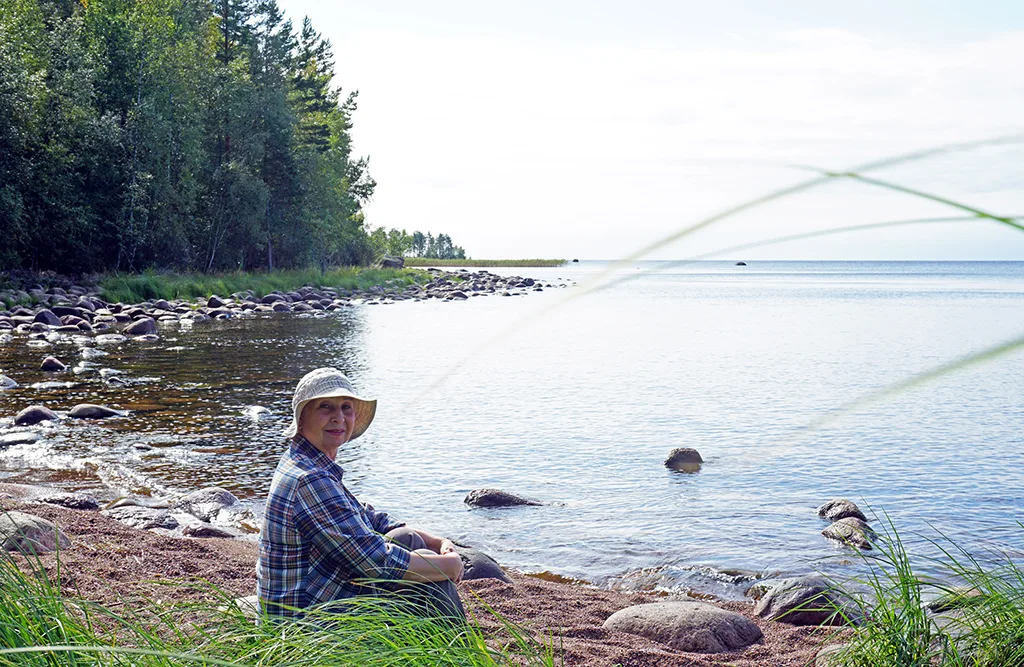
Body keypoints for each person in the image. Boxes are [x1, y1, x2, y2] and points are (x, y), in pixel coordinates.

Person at [257, 367, 465, 620]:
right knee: (434, 579)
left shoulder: (307, 462)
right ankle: (459, 653)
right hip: (303, 624)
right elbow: (376, 562)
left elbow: (363, 516)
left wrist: (435, 540)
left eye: (346, 407)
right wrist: (450, 565)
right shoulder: (309, 479)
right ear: (302, 419)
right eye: (325, 407)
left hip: (312, 598)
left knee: (407, 538)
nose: (338, 417)